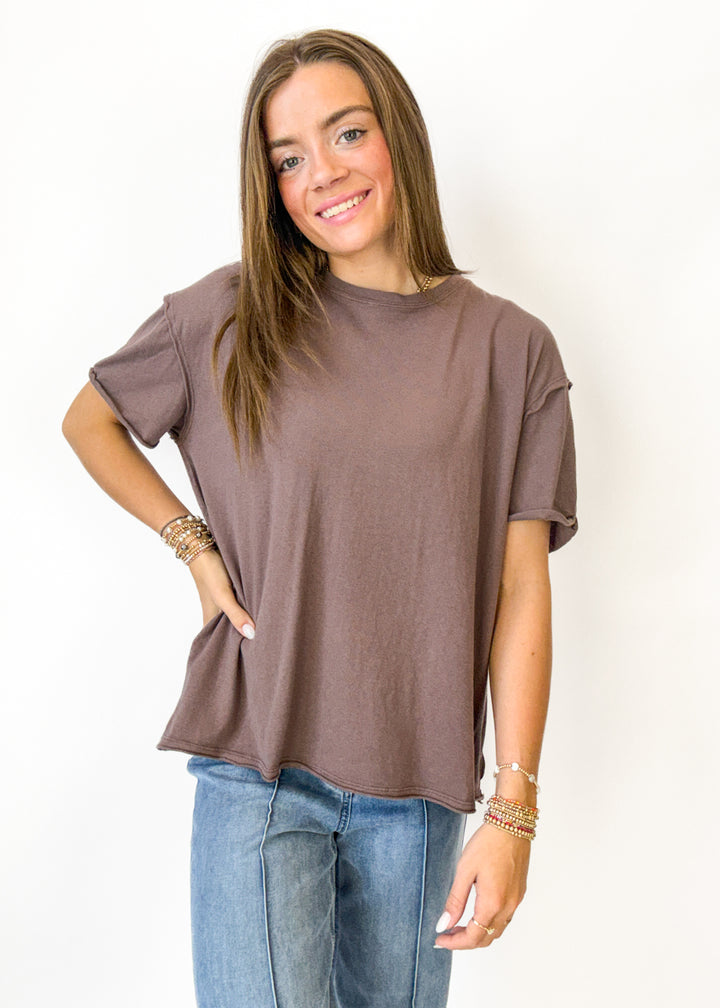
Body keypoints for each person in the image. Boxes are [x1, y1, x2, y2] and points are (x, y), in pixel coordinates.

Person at [62, 28, 577, 1008]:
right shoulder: (227, 314)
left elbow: (521, 587)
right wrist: (193, 547)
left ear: (398, 136)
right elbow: (92, 420)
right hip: (258, 770)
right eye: (288, 158)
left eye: (346, 133)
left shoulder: (512, 350)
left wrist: (513, 813)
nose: (323, 174)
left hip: (418, 797)